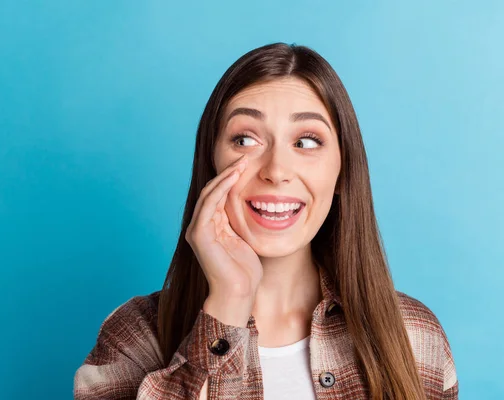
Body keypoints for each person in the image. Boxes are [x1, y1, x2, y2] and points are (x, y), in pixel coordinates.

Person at [73, 42, 458, 400]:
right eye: (245, 140)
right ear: (212, 165)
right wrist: (229, 301)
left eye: (306, 141)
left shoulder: (415, 336)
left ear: (342, 172)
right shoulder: (137, 336)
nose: (276, 170)